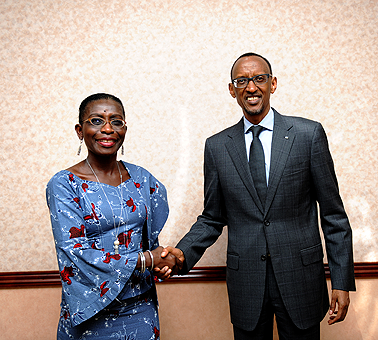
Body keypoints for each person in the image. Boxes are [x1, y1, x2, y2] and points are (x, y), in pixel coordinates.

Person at [160, 53, 356, 340]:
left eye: (259, 79)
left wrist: (341, 281)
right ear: (232, 90)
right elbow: (212, 217)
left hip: (301, 278)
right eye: (242, 81)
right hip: (246, 283)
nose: (251, 87)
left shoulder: (307, 134)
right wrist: (182, 253)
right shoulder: (217, 147)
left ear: (272, 84)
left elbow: (333, 215)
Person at [46, 93, 176, 339]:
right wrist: (148, 260)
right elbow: (73, 251)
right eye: (96, 121)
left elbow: (150, 240)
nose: (107, 129)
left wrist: (163, 263)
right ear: (79, 130)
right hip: (89, 311)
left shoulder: (143, 179)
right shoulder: (64, 184)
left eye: (116, 122)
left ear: (125, 129)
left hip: (140, 308)